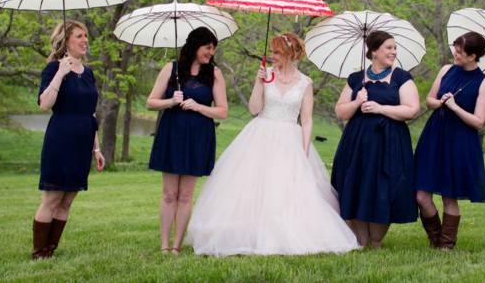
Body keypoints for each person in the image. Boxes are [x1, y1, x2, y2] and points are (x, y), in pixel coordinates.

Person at [186, 32, 358, 256]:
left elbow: (306, 120)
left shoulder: (305, 83)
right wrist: (259, 83)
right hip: (261, 133)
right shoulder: (265, 74)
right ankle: (250, 232)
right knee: (253, 185)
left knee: (284, 187)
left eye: (277, 52)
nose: (272, 55)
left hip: (290, 138)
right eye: (273, 51)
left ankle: (285, 233)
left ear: (289, 54)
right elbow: (254, 109)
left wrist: (304, 149)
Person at [331, 30, 421, 248]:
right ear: (373, 51)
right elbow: (340, 112)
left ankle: (377, 240)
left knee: (385, 188)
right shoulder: (355, 79)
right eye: (388, 47)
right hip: (357, 144)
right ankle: (361, 241)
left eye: (394, 47)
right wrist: (356, 102)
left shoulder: (401, 77)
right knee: (357, 186)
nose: (393, 52)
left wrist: (381, 108)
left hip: (390, 143)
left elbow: (412, 110)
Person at [147, 26, 228, 255]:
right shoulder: (170, 69)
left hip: (198, 137)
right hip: (172, 133)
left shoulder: (214, 74)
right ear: (194, 46)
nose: (210, 53)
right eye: (207, 48)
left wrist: (198, 106)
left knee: (185, 195)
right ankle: (164, 245)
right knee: (169, 193)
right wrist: (170, 101)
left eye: (213, 49)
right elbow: (151, 102)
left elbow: (222, 111)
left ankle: (176, 245)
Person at [413, 31, 485, 249]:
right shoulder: (446, 70)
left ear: (474, 56)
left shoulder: (483, 83)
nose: (455, 54)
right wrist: (440, 103)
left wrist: (455, 107)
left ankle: (445, 245)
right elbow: (429, 100)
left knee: (450, 197)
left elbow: (478, 121)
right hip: (434, 136)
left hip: (460, 142)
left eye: (460, 52)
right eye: (456, 49)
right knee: (421, 195)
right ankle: (435, 238)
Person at [32, 20, 105, 259]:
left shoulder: (89, 73)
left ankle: (51, 249)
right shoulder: (54, 69)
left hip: (83, 141)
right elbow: (45, 104)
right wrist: (61, 74)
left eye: (86, 36)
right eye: (79, 36)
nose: (85, 40)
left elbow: (91, 113)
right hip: (61, 139)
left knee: (67, 200)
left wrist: (97, 149)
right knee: (53, 198)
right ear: (66, 42)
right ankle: (39, 251)